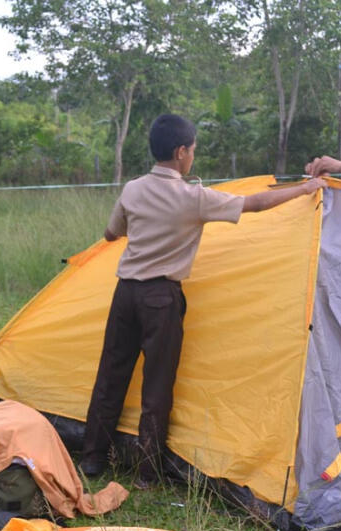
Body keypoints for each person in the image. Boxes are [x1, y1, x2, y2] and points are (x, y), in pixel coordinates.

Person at [80, 113, 326, 488]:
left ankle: (94, 457)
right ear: (181, 152)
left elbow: (111, 233)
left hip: (125, 292)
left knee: (111, 374)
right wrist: (306, 189)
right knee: (157, 384)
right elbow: (256, 203)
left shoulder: (132, 189)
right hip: (161, 298)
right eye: (192, 151)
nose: (192, 156)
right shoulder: (192, 198)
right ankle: (148, 470)